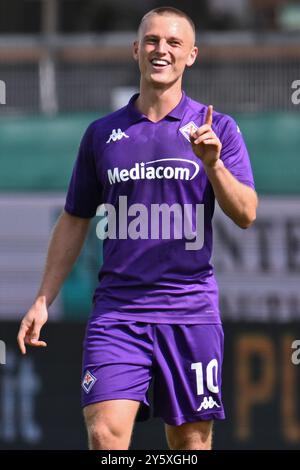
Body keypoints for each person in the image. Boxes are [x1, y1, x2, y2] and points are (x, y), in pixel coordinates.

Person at [17, 6, 258, 450]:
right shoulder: (101, 134)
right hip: (118, 313)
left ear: (192, 56)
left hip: (189, 312)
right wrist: (42, 298)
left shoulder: (216, 128)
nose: (160, 50)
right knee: (106, 433)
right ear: (135, 50)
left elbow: (246, 213)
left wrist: (215, 165)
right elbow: (74, 218)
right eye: (151, 41)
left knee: (190, 443)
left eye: (173, 43)